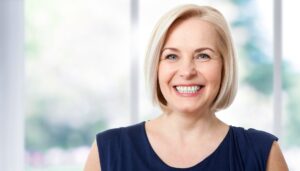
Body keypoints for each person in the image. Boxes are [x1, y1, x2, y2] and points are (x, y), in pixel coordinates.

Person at [84, 4, 288, 171]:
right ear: (156, 66)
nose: (187, 71)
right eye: (172, 56)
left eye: (203, 56)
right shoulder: (108, 151)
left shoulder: (263, 153)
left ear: (225, 66)